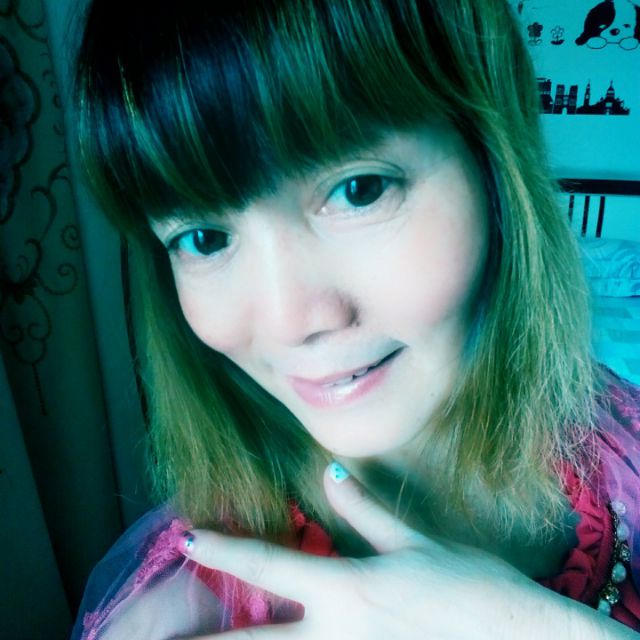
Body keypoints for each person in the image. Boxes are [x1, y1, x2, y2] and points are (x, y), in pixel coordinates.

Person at [71, 0, 640, 637]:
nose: (289, 322)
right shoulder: (174, 621)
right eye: (205, 239)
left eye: (358, 190)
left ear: (493, 168)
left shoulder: (624, 445)